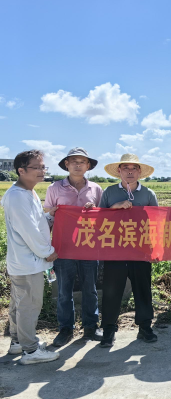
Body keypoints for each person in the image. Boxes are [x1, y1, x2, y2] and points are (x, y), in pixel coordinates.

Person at [2, 150, 60, 364]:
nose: (42, 171)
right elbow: (29, 231)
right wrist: (47, 252)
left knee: (19, 304)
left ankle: (18, 342)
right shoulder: (17, 196)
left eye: (43, 167)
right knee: (29, 305)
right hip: (28, 262)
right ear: (21, 170)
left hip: (25, 262)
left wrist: (48, 216)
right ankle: (30, 351)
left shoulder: (29, 192)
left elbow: (35, 222)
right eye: (37, 167)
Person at [44, 147, 103, 346]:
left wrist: (93, 211)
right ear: (66, 164)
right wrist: (46, 246)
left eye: (82, 161)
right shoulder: (54, 188)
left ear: (88, 166)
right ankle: (65, 329)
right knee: (64, 291)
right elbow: (48, 219)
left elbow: (102, 218)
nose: (78, 164)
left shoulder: (95, 189)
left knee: (90, 289)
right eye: (73, 161)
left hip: (89, 246)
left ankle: (90, 327)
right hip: (63, 248)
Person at [98, 154, 158, 347]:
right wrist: (114, 208)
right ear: (119, 171)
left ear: (140, 172)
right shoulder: (109, 193)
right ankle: (108, 329)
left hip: (140, 251)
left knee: (142, 289)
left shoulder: (148, 194)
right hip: (114, 250)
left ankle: (145, 327)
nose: (130, 171)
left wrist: (154, 250)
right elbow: (98, 220)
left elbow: (156, 223)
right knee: (111, 290)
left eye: (134, 168)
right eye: (126, 168)